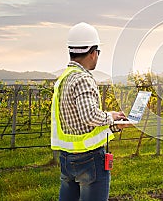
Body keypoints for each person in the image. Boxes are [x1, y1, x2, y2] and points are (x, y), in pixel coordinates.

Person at [51, 22, 128, 201]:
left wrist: (113, 120)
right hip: (89, 160)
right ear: (93, 53)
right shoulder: (83, 78)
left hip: (67, 158)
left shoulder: (64, 79)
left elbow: (78, 121)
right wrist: (110, 118)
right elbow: (89, 116)